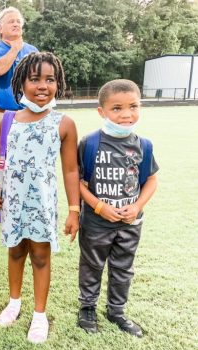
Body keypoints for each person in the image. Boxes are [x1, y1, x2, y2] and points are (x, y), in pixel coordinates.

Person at [0, 52, 80, 344]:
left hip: (42, 204)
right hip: (12, 203)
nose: (42, 86)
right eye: (34, 78)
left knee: (40, 256)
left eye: (49, 79)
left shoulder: (63, 123)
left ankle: (39, 315)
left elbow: (71, 169)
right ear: (21, 82)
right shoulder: (9, 120)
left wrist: (74, 209)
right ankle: (14, 302)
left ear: (58, 83)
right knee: (15, 251)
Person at [76, 79, 158, 337]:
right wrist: (99, 206)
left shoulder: (144, 145)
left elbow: (151, 180)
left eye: (133, 106)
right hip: (96, 223)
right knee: (91, 266)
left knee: (123, 268)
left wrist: (137, 206)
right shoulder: (89, 143)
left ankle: (117, 311)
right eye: (117, 108)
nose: (126, 114)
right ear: (102, 112)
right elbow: (77, 183)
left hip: (130, 223)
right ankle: (87, 308)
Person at [0, 6, 38, 143]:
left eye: (18, 21)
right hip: (2, 115)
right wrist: (15, 49)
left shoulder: (33, 50)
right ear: (0, 28)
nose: (16, 24)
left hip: (30, 114)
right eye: (11, 21)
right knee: (2, 159)